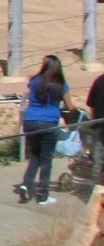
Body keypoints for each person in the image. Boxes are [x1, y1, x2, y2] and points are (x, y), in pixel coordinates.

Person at [16, 54, 79, 205]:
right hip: (48, 123)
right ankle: (42, 195)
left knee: (36, 155)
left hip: (30, 121)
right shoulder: (61, 85)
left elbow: (30, 97)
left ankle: (26, 184)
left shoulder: (35, 81)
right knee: (46, 159)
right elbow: (71, 107)